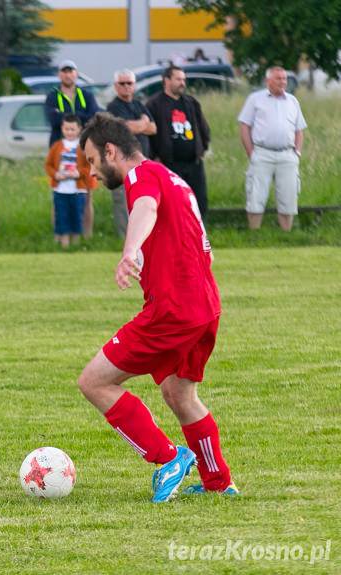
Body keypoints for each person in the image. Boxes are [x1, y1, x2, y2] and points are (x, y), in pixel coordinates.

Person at [77, 113, 236, 502]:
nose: (92, 173)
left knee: (94, 382)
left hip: (174, 310)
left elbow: (145, 209)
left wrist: (130, 252)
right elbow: (202, 242)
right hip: (205, 306)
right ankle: (218, 482)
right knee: (179, 393)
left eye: (93, 161)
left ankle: (168, 458)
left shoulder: (141, 177)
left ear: (111, 151)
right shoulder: (173, 178)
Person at [238, 66, 307, 232]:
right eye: (278, 78)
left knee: (288, 196)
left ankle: (286, 234)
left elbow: (299, 130)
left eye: (284, 79)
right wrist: (251, 153)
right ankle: (254, 234)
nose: (283, 82)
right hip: (262, 153)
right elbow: (244, 126)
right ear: (268, 80)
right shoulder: (255, 99)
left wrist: (297, 153)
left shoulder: (292, 101)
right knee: (256, 195)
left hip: (287, 154)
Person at [146, 66, 211, 219]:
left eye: (183, 79)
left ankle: (198, 236)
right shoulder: (154, 104)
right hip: (169, 164)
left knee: (198, 202)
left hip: (193, 163)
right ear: (166, 81)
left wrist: (202, 149)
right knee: (172, 203)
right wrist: (155, 157)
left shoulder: (191, 103)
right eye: (178, 79)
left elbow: (203, 129)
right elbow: (150, 134)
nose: (182, 83)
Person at [105, 69, 157, 238]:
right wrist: (143, 122)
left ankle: (142, 237)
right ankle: (124, 238)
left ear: (134, 86)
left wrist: (139, 125)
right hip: (122, 164)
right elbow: (125, 128)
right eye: (122, 83)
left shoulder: (139, 104)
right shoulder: (113, 107)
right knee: (123, 201)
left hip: (142, 163)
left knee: (142, 200)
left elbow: (153, 129)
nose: (126, 87)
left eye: (130, 83)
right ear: (115, 86)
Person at [45, 115, 96, 247]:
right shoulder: (56, 146)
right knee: (61, 215)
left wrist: (78, 173)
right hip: (60, 189)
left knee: (77, 216)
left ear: (79, 129)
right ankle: (64, 245)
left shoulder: (84, 147)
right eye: (67, 129)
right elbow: (48, 165)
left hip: (78, 189)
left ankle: (76, 244)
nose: (69, 132)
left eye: (72, 129)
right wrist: (56, 175)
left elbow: (89, 166)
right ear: (62, 128)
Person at [44, 60, 100, 147]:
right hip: (60, 145)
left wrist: (64, 115)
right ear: (59, 75)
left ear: (76, 74)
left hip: (84, 145)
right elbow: (53, 120)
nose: (68, 75)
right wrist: (81, 116)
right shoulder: (52, 96)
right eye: (64, 72)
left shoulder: (87, 95)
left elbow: (94, 119)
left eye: (70, 71)